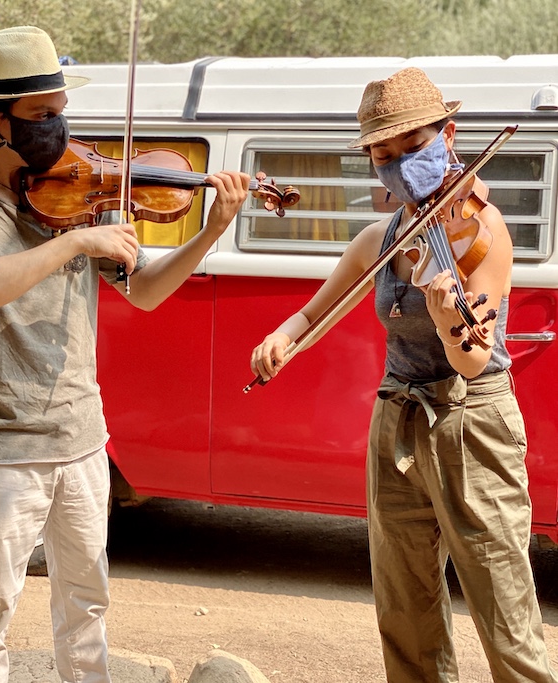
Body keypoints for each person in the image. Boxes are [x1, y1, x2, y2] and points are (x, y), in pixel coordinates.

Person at [0, 26, 250, 683]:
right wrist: (73, 245)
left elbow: (147, 291)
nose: (60, 128)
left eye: (62, 110)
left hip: (84, 441)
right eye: (43, 116)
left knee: (86, 613)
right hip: (0, 450)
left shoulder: (76, 195)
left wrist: (209, 230)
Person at [250, 67, 558, 682]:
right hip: (397, 415)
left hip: (472, 422)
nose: (396, 164)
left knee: (502, 605)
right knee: (404, 601)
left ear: (449, 134)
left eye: (412, 147)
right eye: (382, 154)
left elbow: (473, 357)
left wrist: (451, 320)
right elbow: (314, 312)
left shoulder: (485, 232)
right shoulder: (379, 238)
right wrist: (282, 338)